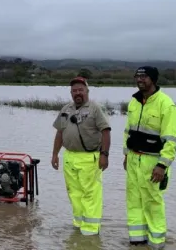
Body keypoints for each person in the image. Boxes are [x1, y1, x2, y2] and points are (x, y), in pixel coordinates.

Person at [123, 66, 176, 249]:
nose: (140, 80)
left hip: (153, 162)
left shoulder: (166, 104)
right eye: (137, 76)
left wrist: (162, 166)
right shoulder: (134, 101)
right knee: (134, 200)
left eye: (144, 77)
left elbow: (171, 140)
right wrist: (126, 155)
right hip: (133, 159)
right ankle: (137, 241)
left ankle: (157, 243)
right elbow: (127, 131)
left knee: (153, 202)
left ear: (153, 79)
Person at [51, 76, 111, 236]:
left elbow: (106, 131)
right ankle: (78, 225)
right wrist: (55, 154)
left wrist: (104, 154)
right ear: (71, 93)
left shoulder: (95, 109)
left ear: (87, 91)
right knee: (74, 193)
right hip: (69, 157)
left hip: (90, 158)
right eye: (74, 91)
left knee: (90, 194)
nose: (77, 93)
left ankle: (91, 230)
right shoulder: (65, 109)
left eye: (80, 90)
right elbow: (59, 133)